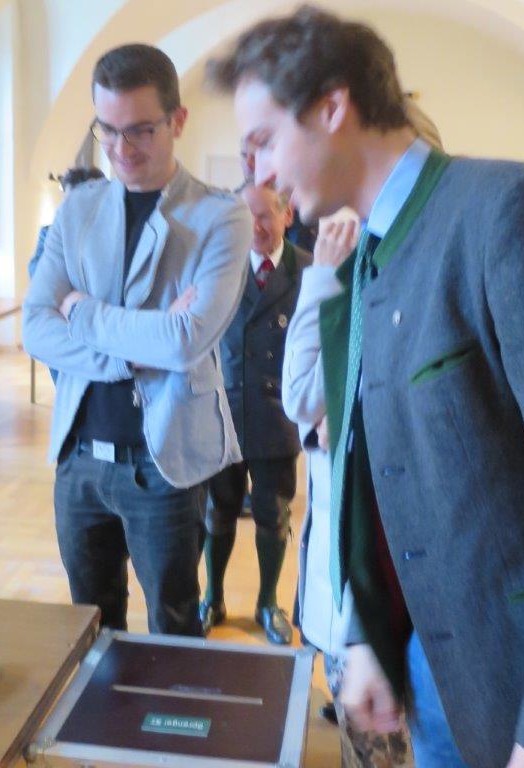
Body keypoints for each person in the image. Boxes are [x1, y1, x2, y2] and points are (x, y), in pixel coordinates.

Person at [209, 7, 524, 768]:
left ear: (332, 107)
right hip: (437, 665)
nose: (257, 173)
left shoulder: (517, 211)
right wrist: (374, 634)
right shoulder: (373, 249)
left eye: (262, 141)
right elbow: (386, 462)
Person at [23, 43, 250, 636]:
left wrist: (80, 309)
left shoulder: (221, 217)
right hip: (78, 459)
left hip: (163, 462)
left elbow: (184, 342)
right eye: (107, 130)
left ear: (178, 120)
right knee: (91, 628)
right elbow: (35, 326)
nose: (121, 149)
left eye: (141, 130)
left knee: (173, 626)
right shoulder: (78, 208)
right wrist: (136, 350)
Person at [284, 214, 415, 767]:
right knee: (366, 747)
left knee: (391, 749)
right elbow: (303, 400)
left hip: (392, 580)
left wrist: (320, 277)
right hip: (346, 576)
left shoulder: (400, 277)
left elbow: (302, 393)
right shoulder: (354, 275)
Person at [200, 183, 311, 645]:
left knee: (273, 514)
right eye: (247, 216)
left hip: (277, 415)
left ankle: (268, 603)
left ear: (287, 216)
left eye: (265, 215)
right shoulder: (220, 264)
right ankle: (213, 597)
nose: (255, 227)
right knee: (217, 513)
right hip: (223, 413)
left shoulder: (308, 270)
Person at [28, 166, 106, 385]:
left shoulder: (110, 234)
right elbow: (37, 272)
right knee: (65, 386)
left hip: (98, 323)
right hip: (62, 323)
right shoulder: (50, 232)